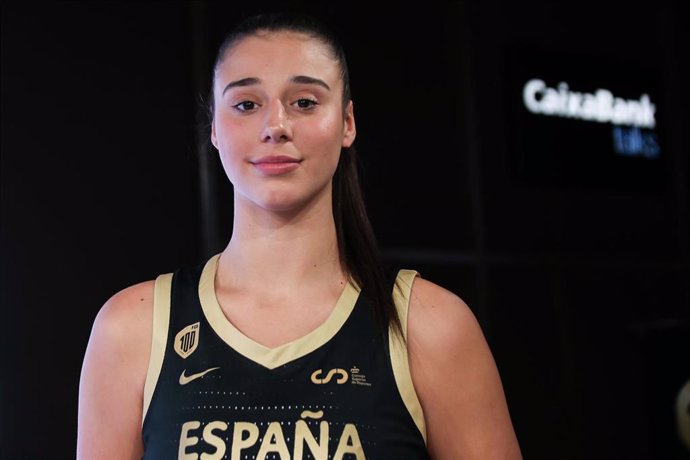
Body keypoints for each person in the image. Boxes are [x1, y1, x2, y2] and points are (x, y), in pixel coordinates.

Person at [77, 11, 522, 460]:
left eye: (304, 102)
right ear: (214, 127)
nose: (276, 126)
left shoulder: (428, 325)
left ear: (347, 122)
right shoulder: (132, 329)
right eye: (247, 104)